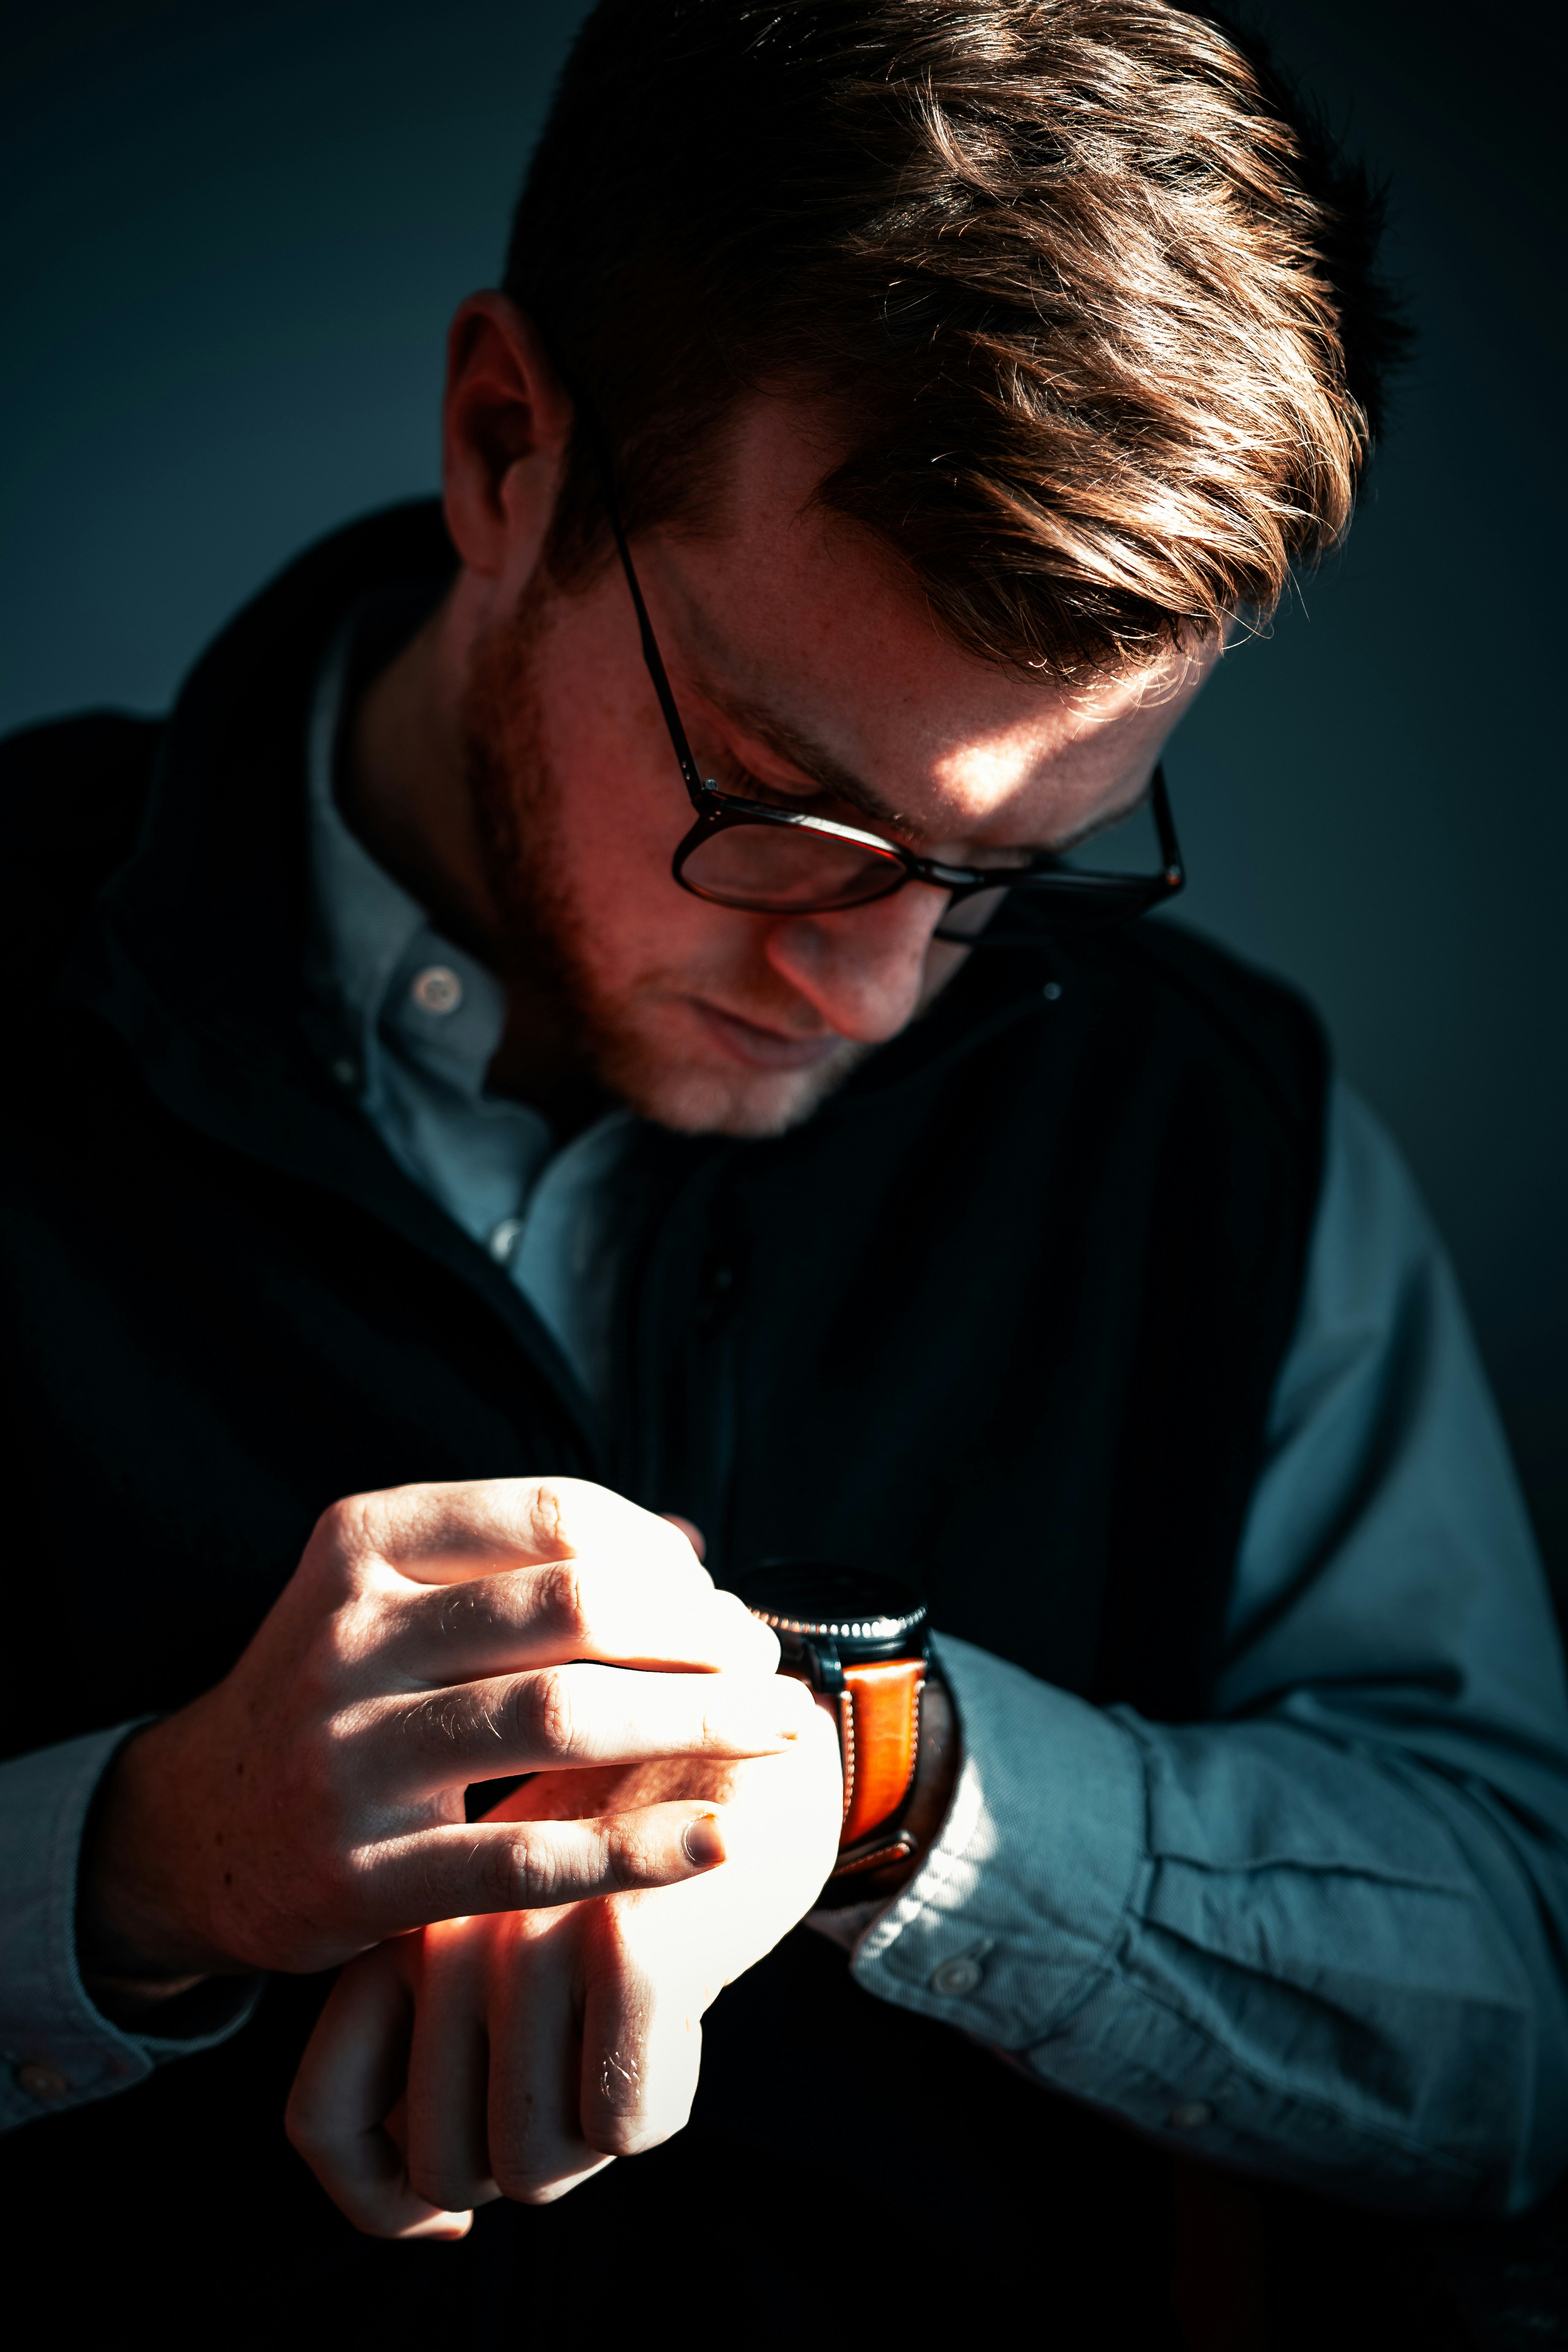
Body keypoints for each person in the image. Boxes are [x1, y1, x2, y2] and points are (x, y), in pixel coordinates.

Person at [3, 0, 1565, 2341]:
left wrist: (877, 1779)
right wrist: (135, 1863)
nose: (879, 984)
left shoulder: (1218, 1131)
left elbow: (1519, 2034)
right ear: (505, 445)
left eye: (1018, 862)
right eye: (784, 807)